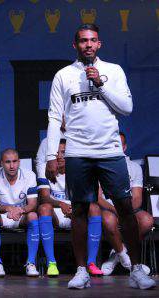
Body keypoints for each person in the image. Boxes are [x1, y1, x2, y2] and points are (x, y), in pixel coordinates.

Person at [45, 23, 155, 289]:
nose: (88, 45)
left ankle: (137, 270)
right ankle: (81, 271)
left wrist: (100, 84)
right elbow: (53, 116)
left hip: (109, 150)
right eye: (83, 41)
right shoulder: (63, 75)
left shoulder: (112, 71)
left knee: (125, 208)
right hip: (77, 151)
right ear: (75, 45)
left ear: (100, 44)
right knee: (81, 211)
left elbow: (127, 108)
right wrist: (51, 154)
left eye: (93, 40)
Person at [37, 139, 104, 277]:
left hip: (76, 209)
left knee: (95, 208)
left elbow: (88, 195)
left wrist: (75, 208)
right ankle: (51, 263)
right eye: (57, 153)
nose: (60, 156)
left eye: (64, 152)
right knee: (44, 208)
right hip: (56, 211)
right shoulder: (45, 168)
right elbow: (44, 197)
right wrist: (61, 204)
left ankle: (91, 263)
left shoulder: (80, 168)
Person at [99, 132, 154, 275]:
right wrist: (116, 210)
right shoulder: (99, 166)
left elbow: (137, 198)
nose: (115, 147)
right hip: (108, 208)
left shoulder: (134, 167)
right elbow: (98, 197)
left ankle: (116, 253)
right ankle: (125, 257)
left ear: (124, 147)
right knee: (108, 220)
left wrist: (125, 211)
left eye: (118, 144)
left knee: (147, 220)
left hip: (128, 208)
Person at [0, 148, 40, 277]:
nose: (12, 166)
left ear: (19, 162)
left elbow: (32, 204)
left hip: (21, 215)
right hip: (1, 214)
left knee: (33, 215)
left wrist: (20, 210)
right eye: (7, 162)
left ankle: (31, 263)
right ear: (1, 163)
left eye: (15, 161)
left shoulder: (29, 175)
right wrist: (9, 208)